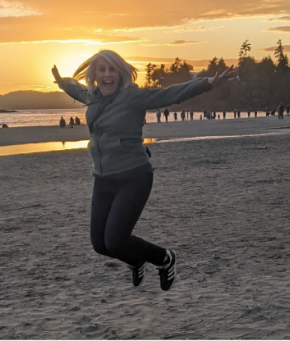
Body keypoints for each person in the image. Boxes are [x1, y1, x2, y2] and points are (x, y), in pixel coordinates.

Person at [52, 50, 238, 291]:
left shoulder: (133, 97)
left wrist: (208, 83)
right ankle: (136, 260)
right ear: (95, 75)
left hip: (134, 176)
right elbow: (73, 89)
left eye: (112, 69)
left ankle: (164, 258)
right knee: (100, 244)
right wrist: (61, 81)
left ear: (120, 73)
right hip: (103, 180)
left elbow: (170, 94)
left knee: (116, 239)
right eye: (102, 69)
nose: (108, 74)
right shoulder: (92, 97)